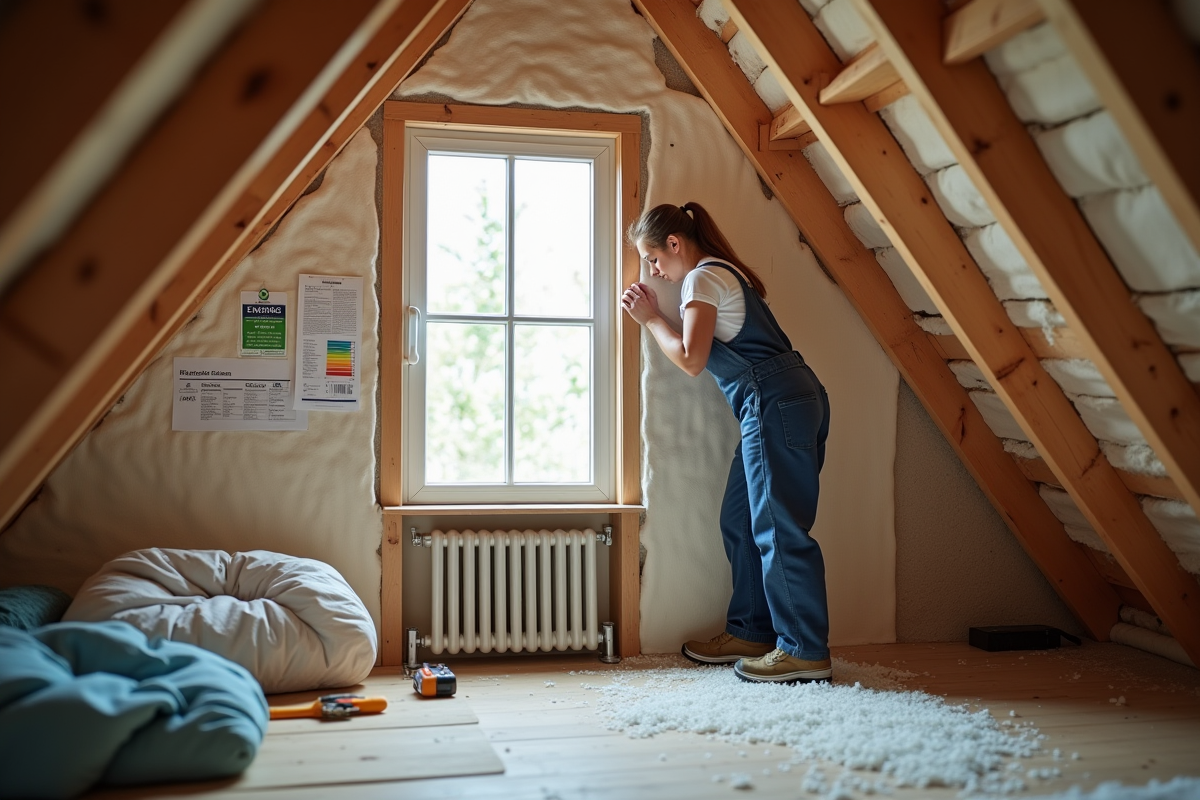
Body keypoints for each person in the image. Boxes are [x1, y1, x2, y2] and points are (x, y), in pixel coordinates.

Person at [621, 201, 832, 684]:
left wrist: (651, 319)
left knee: (779, 528)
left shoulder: (702, 277)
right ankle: (753, 631)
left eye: (653, 259)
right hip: (779, 402)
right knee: (739, 520)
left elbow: (693, 360)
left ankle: (805, 649)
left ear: (674, 244)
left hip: (775, 403)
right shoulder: (717, 274)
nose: (654, 272)